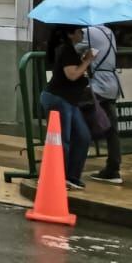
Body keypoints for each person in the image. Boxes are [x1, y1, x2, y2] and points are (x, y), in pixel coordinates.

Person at [39, 25, 94, 190]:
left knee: (83, 136)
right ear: (71, 34)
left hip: (69, 100)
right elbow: (72, 75)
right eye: (79, 31)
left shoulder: (70, 50)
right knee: (63, 140)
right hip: (59, 99)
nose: (82, 33)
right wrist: (88, 60)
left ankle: (72, 176)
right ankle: (58, 177)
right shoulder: (66, 50)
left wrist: (84, 61)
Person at [85, 24, 123, 185]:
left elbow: (73, 49)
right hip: (112, 84)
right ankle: (113, 169)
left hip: (97, 85)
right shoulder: (109, 32)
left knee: (78, 119)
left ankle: (70, 166)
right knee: (112, 129)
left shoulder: (88, 32)